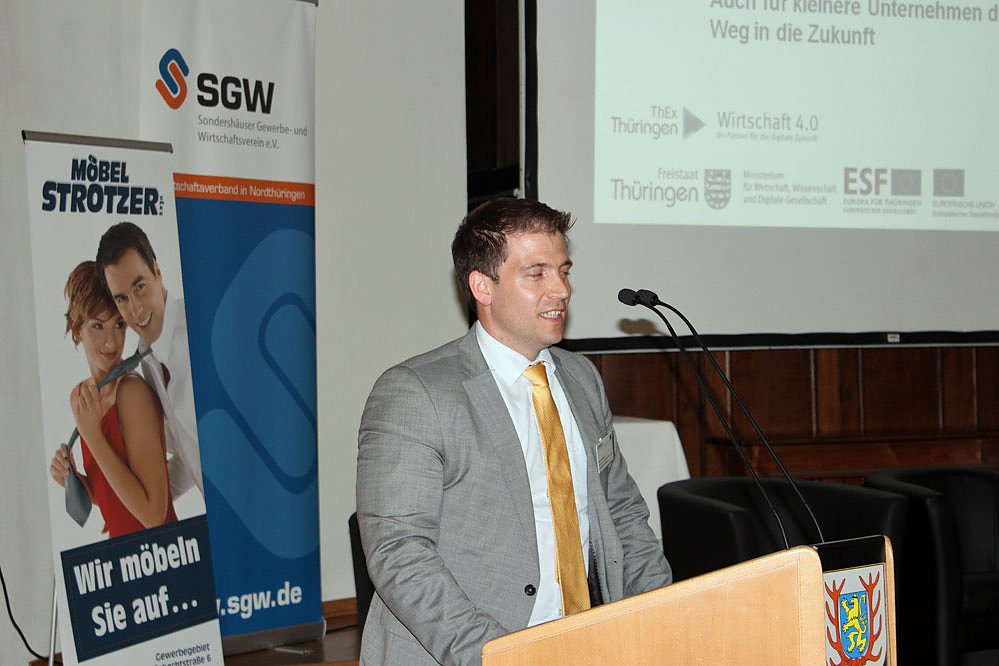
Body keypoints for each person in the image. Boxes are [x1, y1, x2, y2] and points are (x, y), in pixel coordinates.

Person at [356, 198, 671, 666]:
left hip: (586, 643)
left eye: (563, 271)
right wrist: (501, 656)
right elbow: (400, 554)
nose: (561, 290)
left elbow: (622, 512)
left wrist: (664, 618)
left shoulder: (581, 378)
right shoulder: (416, 392)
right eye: (536, 273)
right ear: (482, 286)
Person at [49, 261, 178, 538]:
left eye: (119, 324)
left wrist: (94, 437)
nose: (111, 341)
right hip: (122, 555)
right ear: (77, 328)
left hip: (161, 554)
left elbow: (153, 515)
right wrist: (77, 484)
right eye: (98, 326)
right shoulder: (81, 398)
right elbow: (119, 500)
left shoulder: (131, 393)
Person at [96, 222, 203, 499]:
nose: (135, 309)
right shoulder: (148, 357)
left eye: (140, 287)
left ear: (157, 271)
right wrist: (135, 500)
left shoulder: (202, 331)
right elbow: (189, 454)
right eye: (122, 299)